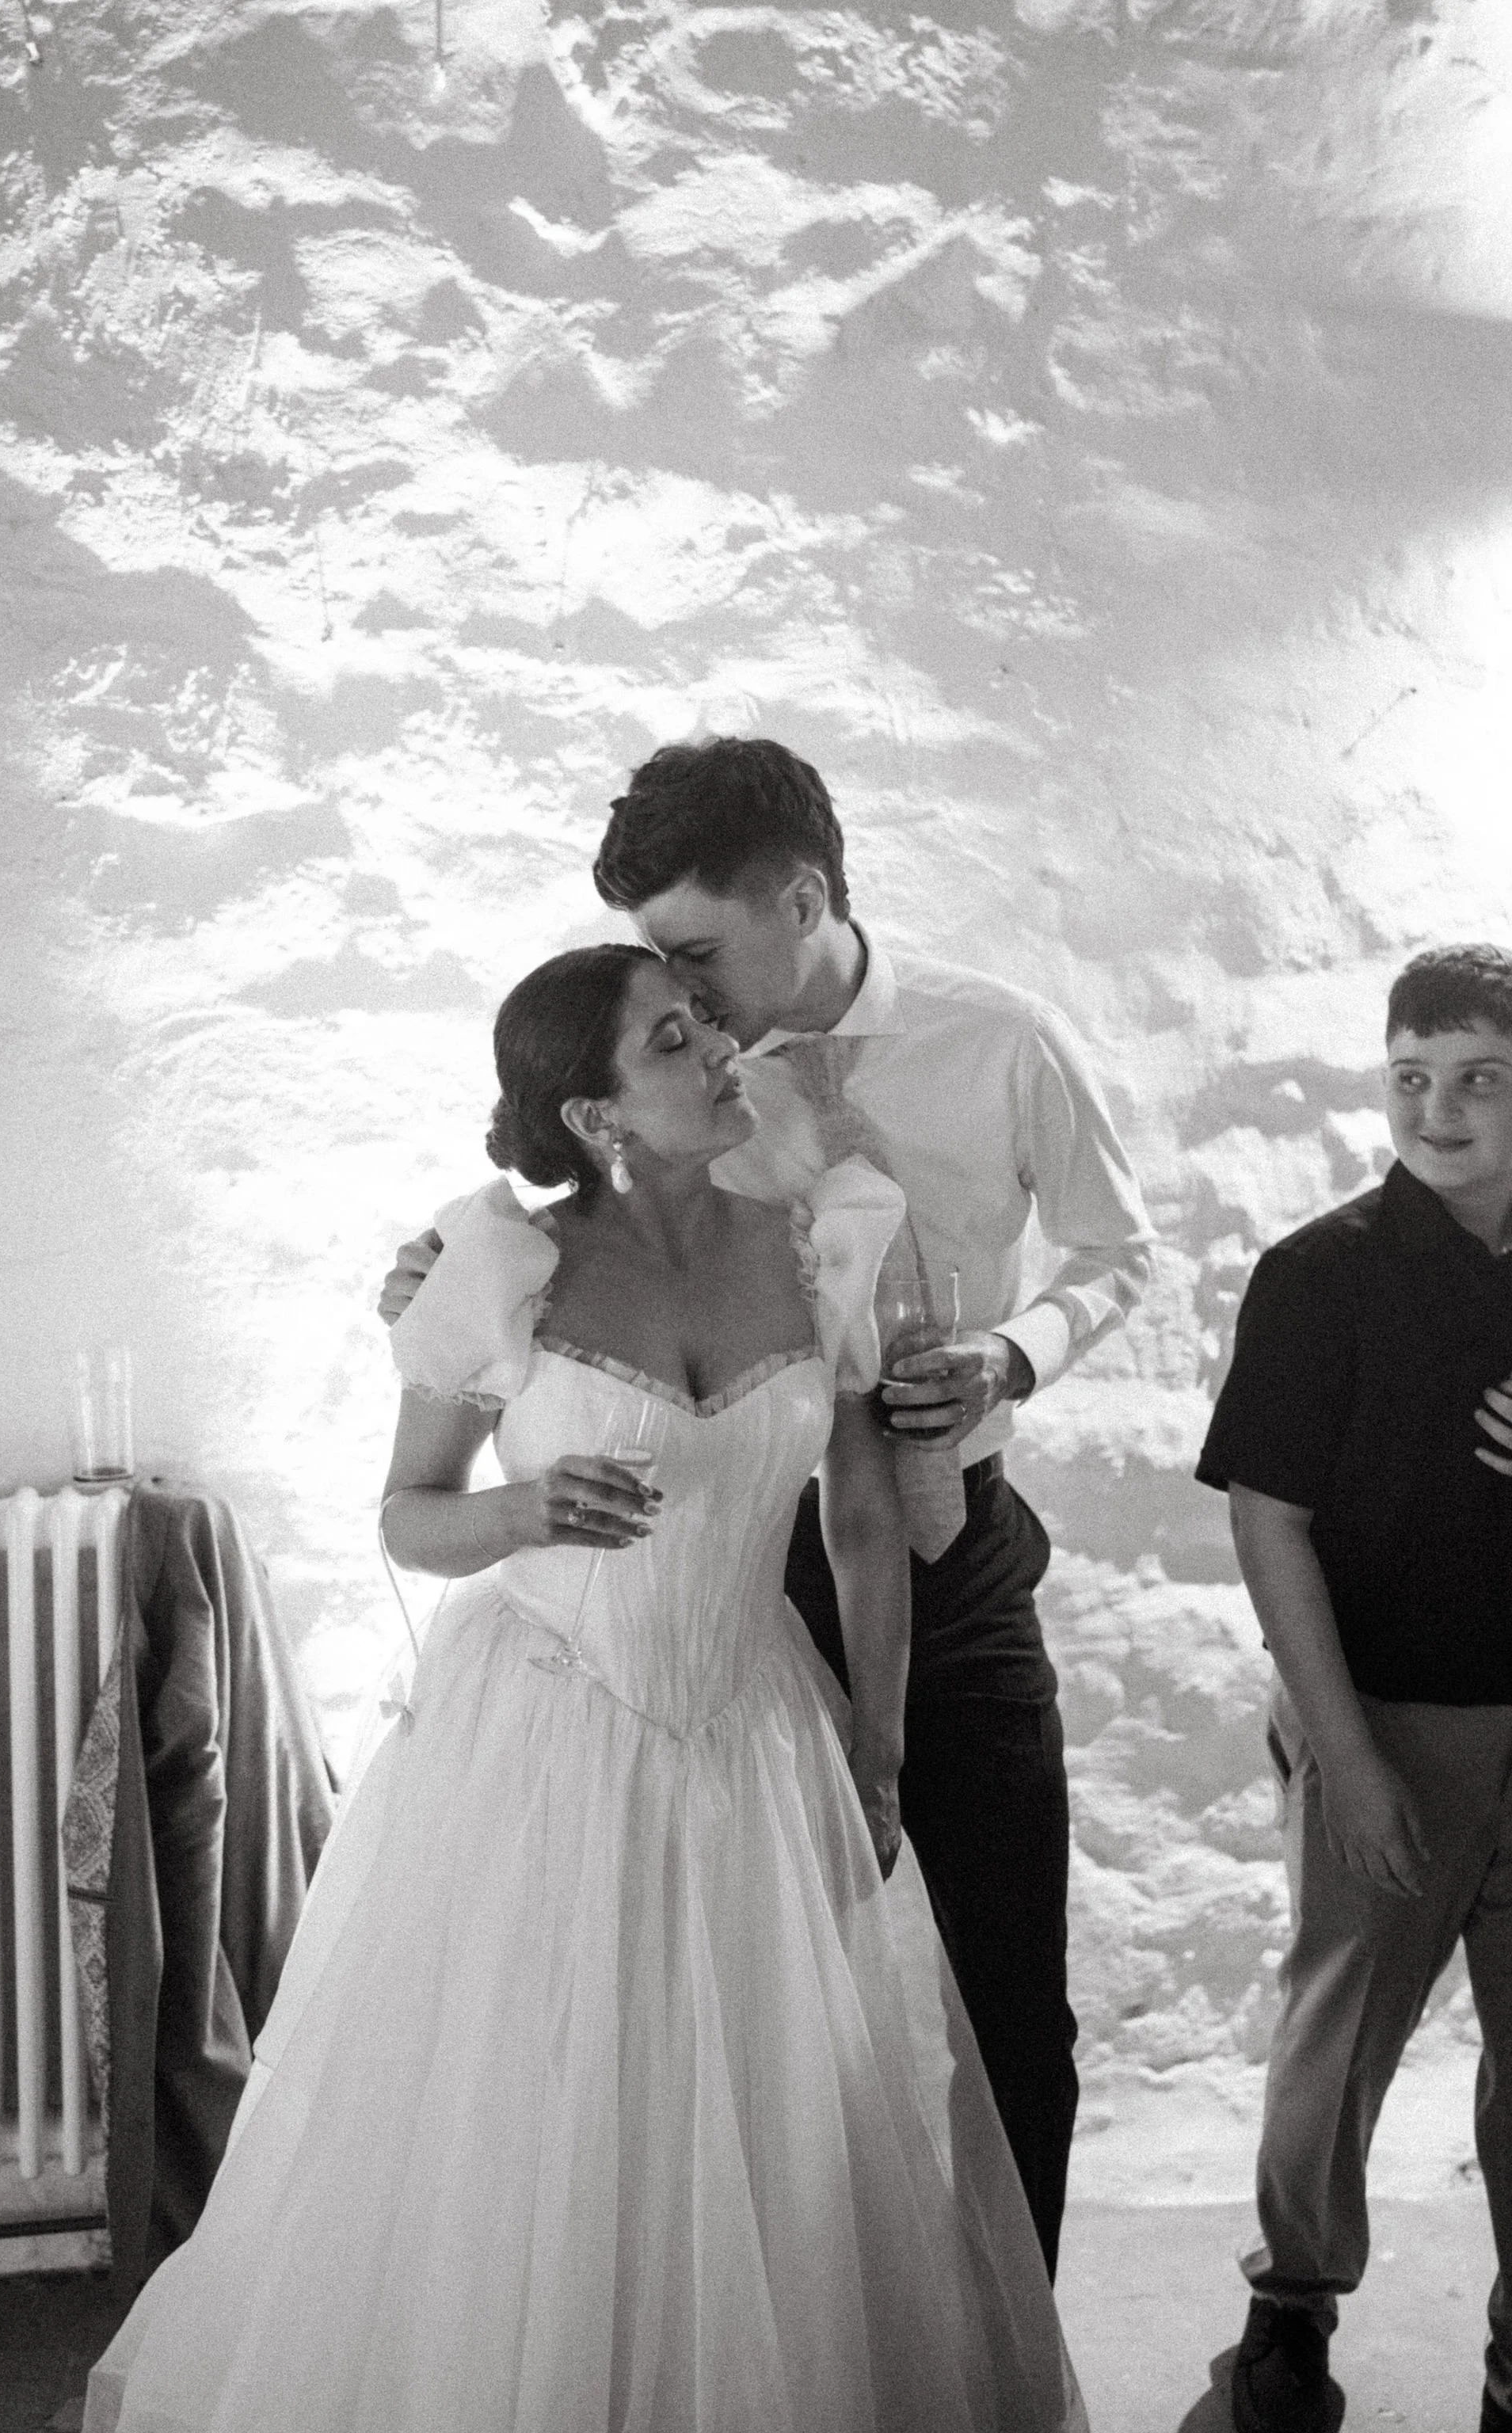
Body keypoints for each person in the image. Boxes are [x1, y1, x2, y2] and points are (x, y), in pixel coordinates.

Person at [86, 943, 1085, 2433]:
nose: (721, 1056)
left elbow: (863, 1516)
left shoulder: (823, 1240)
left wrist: (877, 1741)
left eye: (704, 1027)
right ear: (598, 1118)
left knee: (764, 2120)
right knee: (542, 2113)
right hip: (541, 1744)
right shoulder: (495, 1268)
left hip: (754, 1730)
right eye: (675, 1043)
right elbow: (407, 1517)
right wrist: (525, 1515)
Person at [379, 738, 1154, 2275]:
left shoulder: (995, 1043)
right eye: (662, 981)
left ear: (799, 898)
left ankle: (995, 2359)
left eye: (693, 955)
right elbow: (558, 1252)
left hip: (943, 1536)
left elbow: (1115, 1249)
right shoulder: (679, 1086)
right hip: (716, 1572)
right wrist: (439, 1305)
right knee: (731, 2029)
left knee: (1006, 1999)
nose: (689, 998)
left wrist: (1014, 1351)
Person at [1195, 942, 1512, 2433]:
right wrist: (1350, 1755)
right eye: (1410, 1080)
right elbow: (1270, 1520)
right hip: (1387, 1715)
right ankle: (1290, 2310)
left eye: (1478, 1082)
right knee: (1338, 2032)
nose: (1437, 1111)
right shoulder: (1321, 1276)